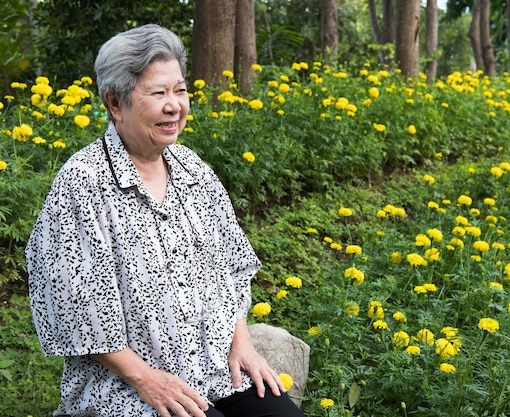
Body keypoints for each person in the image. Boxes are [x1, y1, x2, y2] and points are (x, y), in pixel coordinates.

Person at [26, 24, 305, 417]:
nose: (175, 105)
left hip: (214, 371)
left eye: (180, 90)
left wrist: (241, 341)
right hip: (128, 386)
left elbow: (230, 267)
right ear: (115, 103)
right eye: (158, 93)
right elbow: (74, 308)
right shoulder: (82, 184)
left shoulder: (193, 170)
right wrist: (146, 379)